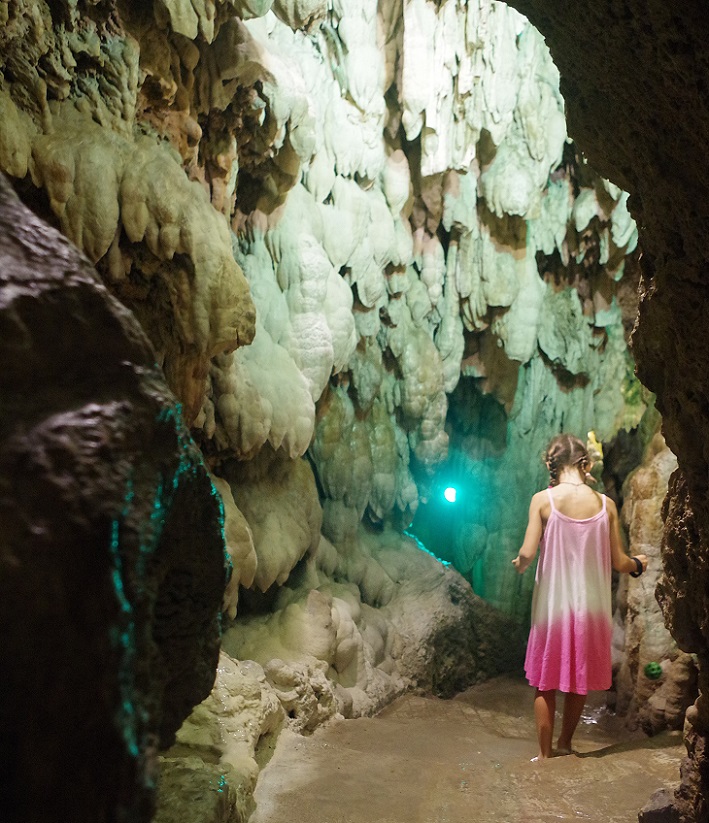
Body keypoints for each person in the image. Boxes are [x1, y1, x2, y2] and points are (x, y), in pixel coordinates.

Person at [512, 433, 648, 761]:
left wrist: (521, 563)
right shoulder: (606, 505)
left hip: (553, 606)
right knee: (578, 681)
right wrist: (639, 565)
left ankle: (544, 756)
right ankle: (565, 744)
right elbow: (619, 562)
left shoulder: (543, 500)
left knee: (545, 682)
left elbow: (528, 552)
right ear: (585, 464)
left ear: (553, 466)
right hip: (591, 608)